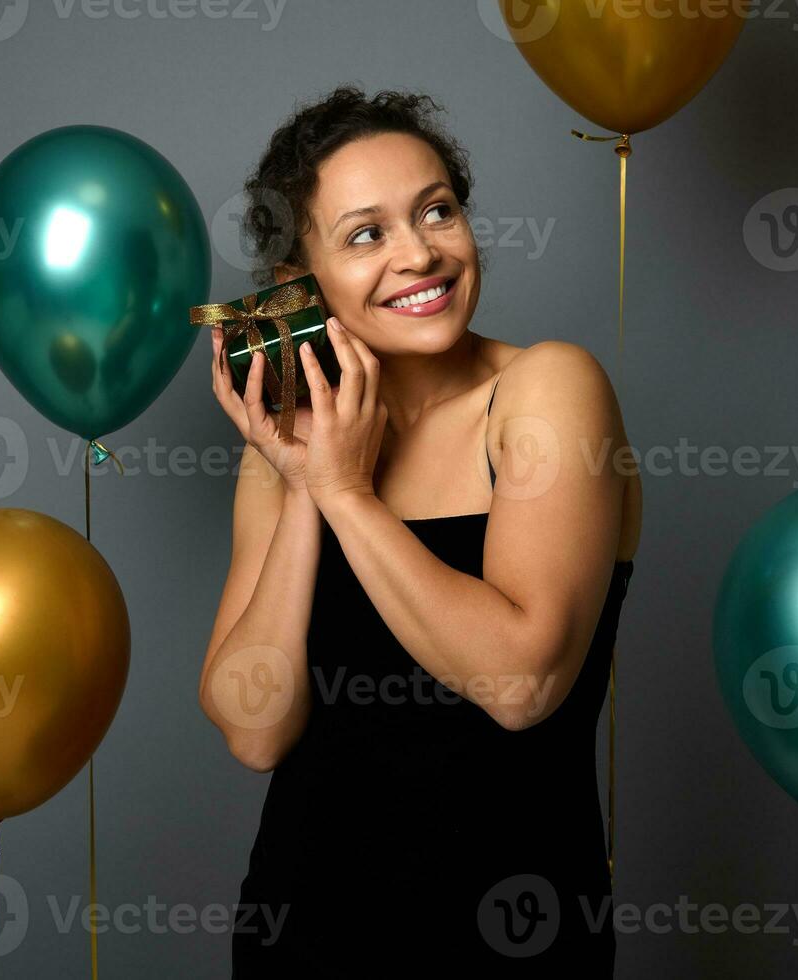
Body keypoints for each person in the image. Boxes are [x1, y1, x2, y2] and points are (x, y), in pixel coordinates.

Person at [197, 85, 641, 977]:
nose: (418, 254)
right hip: (302, 938)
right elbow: (254, 730)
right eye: (366, 234)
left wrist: (345, 494)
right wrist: (302, 488)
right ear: (298, 285)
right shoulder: (290, 447)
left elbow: (520, 682)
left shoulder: (547, 389)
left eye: (436, 211)